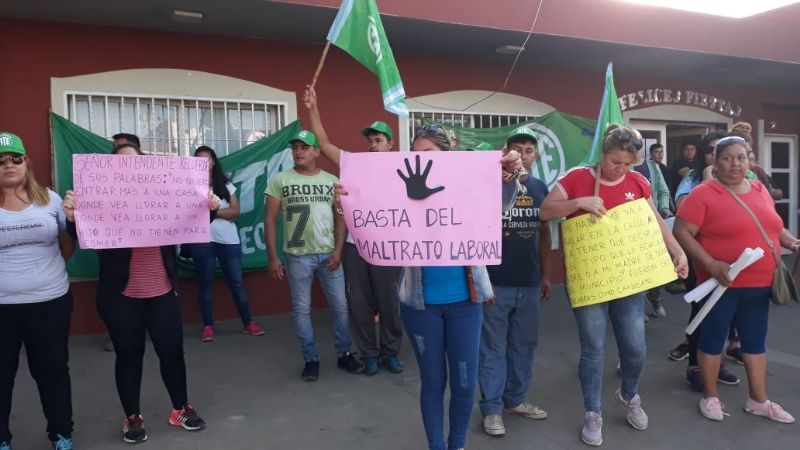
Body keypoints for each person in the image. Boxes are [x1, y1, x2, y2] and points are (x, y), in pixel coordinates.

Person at [336, 123, 522, 450]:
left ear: (447, 156)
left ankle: (457, 444)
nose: (421, 160)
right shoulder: (403, 189)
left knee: (464, 384)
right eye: (416, 154)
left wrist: (508, 173)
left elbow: (501, 204)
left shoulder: (467, 187)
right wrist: (348, 203)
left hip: (466, 303)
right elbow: (375, 214)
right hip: (420, 305)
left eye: (429, 153)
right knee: (433, 383)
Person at [540, 124, 688, 447]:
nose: (620, 168)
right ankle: (592, 412)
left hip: (628, 278)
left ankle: (629, 394)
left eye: (627, 163)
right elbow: (545, 211)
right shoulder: (576, 178)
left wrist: (677, 251)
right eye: (614, 161)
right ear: (602, 154)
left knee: (635, 348)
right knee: (593, 349)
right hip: (590, 280)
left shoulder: (638, 182)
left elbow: (655, 222)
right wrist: (579, 202)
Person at [62, 142, 211, 444]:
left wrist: (209, 205)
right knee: (129, 355)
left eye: (135, 161)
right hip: (122, 295)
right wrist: (72, 217)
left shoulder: (164, 195)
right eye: (121, 163)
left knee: (172, 351)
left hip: (162, 291)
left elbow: (191, 221)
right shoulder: (101, 198)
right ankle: (132, 416)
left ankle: (180, 408)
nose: (129, 168)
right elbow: (83, 235)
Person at [673, 135, 797, 424]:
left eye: (741, 157)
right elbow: (681, 232)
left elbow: (774, 227)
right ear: (715, 162)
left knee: (755, 342)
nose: (735, 164)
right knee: (713, 339)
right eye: (727, 158)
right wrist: (710, 263)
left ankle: (758, 400)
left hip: (760, 284)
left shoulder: (759, 189)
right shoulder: (703, 193)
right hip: (720, 284)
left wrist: (792, 242)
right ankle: (710, 396)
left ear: (749, 160)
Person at [304, 87, 404, 375]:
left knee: (389, 302)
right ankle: (368, 353)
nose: (373, 145)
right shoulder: (354, 163)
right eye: (370, 141)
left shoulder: (403, 167)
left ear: (391, 144)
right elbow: (323, 143)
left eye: (378, 140)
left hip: (388, 246)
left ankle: (390, 352)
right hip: (355, 244)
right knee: (359, 303)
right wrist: (313, 108)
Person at [264, 129, 362, 382]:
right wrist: (272, 257)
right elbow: (269, 220)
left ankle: (344, 353)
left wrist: (338, 250)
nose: (298, 152)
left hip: (328, 254)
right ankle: (311, 359)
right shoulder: (280, 180)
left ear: (317, 151)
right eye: (295, 147)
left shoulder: (331, 180)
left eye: (304, 147)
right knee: (301, 310)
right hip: (297, 257)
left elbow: (340, 217)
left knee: (341, 306)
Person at [0, 132, 76, 450]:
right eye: (0, 161)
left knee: (53, 372)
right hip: (3, 307)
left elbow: (67, 244)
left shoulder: (50, 199)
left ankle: (61, 434)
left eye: (15, 158)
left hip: (50, 302)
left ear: (26, 162)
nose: (8, 165)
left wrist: (44, 274)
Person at [479, 126, 551, 437]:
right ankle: (492, 409)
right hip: (496, 284)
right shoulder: (490, 185)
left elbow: (544, 233)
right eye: (517, 149)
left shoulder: (539, 187)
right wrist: (482, 280)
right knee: (493, 348)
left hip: (530, 282)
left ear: (535, 156)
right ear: (506, 153)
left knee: (524, 345)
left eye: (529, 150)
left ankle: (515, 400)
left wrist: (545, 274)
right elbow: (476, 234)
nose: (523, 154)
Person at [668, 132, 743, 392]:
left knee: (725, 315)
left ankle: (716, 364)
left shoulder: (743, 179)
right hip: (700, 259)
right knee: (701, 312)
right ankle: (695, 367)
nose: (714, 155)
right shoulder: (692, 178)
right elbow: (681, 208)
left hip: (735, 261)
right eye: (710, 150)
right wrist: (708, 180)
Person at [188, 146, 265, 342]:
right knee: (205, 283)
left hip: (228, 240)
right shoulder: (189, 186)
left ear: (213, 162)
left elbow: (235, 212)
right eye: (198, 160)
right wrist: (219, 213)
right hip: (201, 240)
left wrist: (212, 212)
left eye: (206, 159)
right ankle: (208, 326)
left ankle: (248, 323)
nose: (203, 163)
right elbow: (188, 215)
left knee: (236, 283)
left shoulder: (226, 185)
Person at [634, 143, 672, 319]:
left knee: (657, 265)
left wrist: (664, 208)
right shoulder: (623, 168)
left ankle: (655, 297)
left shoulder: (652, 167)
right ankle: (638, 305)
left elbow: (663, 190)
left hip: (653, 223)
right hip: (631, 226)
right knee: (637, 267)